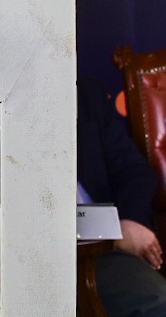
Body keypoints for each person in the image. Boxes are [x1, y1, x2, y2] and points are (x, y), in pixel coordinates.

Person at [78, 75, 166, 317]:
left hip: (104, 252)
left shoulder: (86, 91)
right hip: (39, 256)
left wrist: (130, 221)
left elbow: (133, 170)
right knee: (156, 303)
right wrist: (112, 235)